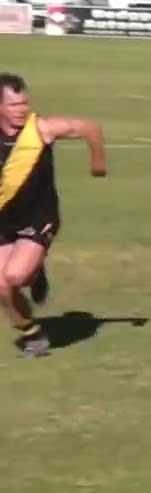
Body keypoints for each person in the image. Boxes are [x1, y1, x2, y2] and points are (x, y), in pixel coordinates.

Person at [0, 73, 107, 358]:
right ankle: (32, 335)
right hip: (4, 219)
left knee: (14, 276)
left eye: (24, 103)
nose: (21, 109)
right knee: (1, 287)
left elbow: (90, 127)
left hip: (39, 217)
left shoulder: (41, 129)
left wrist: (98, 163)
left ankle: (33, 267)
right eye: (13, 105)